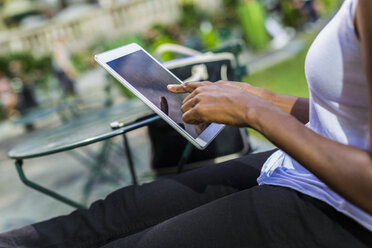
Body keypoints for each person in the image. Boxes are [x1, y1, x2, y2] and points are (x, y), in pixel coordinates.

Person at [1, 0, 372, 246]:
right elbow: (347, 109)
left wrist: (254, 113)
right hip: (296, 164)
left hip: (338, 209)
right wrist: (260, 97)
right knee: (120, 210)